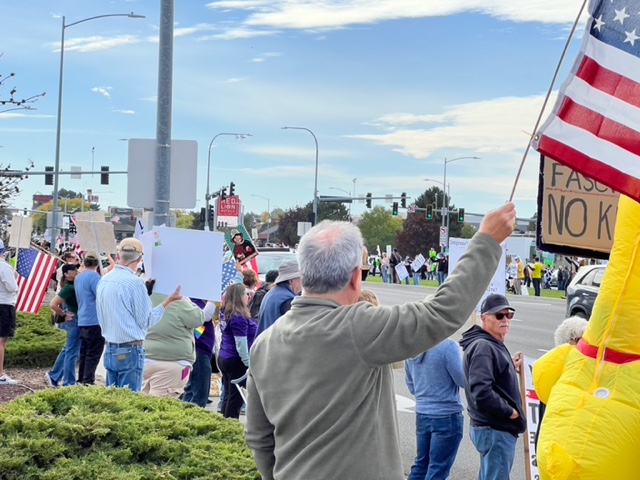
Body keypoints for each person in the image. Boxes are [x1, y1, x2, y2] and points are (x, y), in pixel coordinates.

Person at [245, 202, 516, 480]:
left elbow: (259, 438)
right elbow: (441, 312)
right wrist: (486, 241)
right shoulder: (357, 328)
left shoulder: (265, 344)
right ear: (355, 278)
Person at [96, 238, 182, 391]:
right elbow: (147, 321)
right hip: (130, 349)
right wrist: (168, 301)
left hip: (110, 347)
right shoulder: (135, 283)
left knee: (111, 401)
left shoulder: (104, 280)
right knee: (129, 403)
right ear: (140, 259)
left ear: (118, 256)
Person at [460, 293, 527, 480]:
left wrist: (508, 365)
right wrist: (510, 412)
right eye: (499, 315)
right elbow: (481, 391)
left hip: (492, 429)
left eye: (508, 315)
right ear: (484, 318)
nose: (505, 319)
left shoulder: (490, 343)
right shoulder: (484, 346)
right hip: (495, 429)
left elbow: (489, 374)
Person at [405, 338, 465, 480]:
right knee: (437, 468)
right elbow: (463, 380)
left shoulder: (412, 346)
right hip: (446, 414)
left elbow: (411, 385)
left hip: (422, 413)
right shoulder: (447, 346)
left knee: (421, 465)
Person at [534, 316, 587, 453]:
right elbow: (545, 419)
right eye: (580, 340)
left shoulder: (586, 370)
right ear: (566, 343)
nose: (585, 345)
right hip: (558, 447)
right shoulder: (555, 374)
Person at [142, 295, 204, 398]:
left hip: (144, 358)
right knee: (161, 408)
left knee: (142, 406)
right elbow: (198, 319)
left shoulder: (144, 296)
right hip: (173, 361)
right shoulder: (179, 300)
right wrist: (189, 302)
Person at [218, 283, 257, 419]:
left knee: (228, 395)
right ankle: (229, 425)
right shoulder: (238, 316)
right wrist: (248, 362)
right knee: (235, 398)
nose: (248, 297)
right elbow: (240, 343)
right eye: (246, 294)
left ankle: (223, 423)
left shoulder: (225, 311)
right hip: (236, 360)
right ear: (240, 296)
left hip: (225, 356)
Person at [47, 263, 80, 387]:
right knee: (71, 352)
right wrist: (64, 314)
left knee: (69, 350)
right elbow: (53, 304)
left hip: (74, 320)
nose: (76, 271)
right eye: (73, 270)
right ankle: (69, 382)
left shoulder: (72, 286)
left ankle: (55, 375)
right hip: (74, 320)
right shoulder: (69, 288)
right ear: (66, 274)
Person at [74, 252, 104, 385]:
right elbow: (101, 296)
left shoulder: (78, 277)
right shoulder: (95, 277)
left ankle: (81, 379)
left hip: (83, 318)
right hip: (95, 319)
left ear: (84, 263)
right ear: (97, 264)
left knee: (85, 352)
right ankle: (88, 381)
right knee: (94, 353)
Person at [183, 301, 218, 407]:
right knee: (200, 392)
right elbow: (204, 318)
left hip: (199, 350)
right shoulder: (195, 302)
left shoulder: (193, 301)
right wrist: (212, 302)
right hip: (200, 351)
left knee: (192, 389)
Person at [256, 261, 302, 336]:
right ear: (291, 280)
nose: (303, 281)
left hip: (265, 343)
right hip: (276, 344)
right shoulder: (287, 299)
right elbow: (293, 330)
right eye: (300, 278)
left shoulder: (272, 293)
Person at [0, 240, 19, 385]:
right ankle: (0, 374)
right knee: (1, 340)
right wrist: (15, 278)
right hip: (4, 305)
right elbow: (12, 288)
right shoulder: (4, 267)